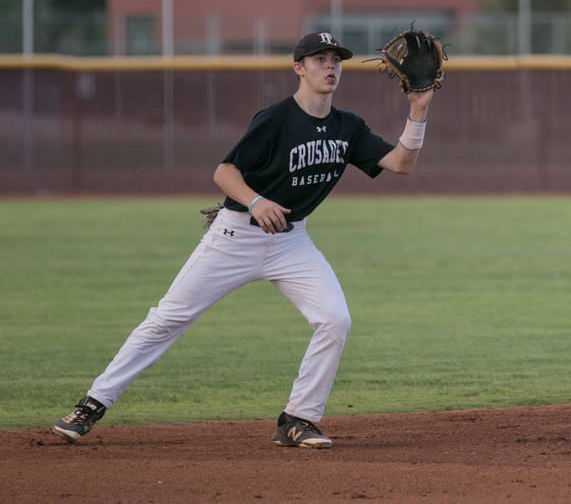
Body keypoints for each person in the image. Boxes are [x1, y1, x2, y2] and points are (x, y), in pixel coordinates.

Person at [51, 31, 434, 448]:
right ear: (298, 68)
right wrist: (255, 202)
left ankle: (297, 419)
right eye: (320, 59)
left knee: (334, 319)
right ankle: (91, 405)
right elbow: (224, 172)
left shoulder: (348, 126)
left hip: (291, 242)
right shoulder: (275, 119)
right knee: (167, 319)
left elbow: (400, 164)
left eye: (336, 60)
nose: (330, 67)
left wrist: (418, 110)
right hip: (234, 236)